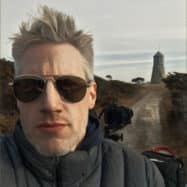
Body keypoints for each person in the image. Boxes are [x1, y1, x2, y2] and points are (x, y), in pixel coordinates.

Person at [0, 6, 165, 187]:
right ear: (17, 97)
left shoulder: (142, 175)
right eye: (30, 86)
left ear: (91, 95)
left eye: (69, 86)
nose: (50, 104)